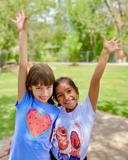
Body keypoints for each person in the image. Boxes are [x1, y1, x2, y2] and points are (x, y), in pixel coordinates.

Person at [51, 36, 120, 160]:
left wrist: (105, 52)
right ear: (57, 99)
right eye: (60, 95)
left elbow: (95, 80)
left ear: (76, 92)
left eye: (69, 91)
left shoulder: (87, 110)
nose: (66, 97)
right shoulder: (56, 112)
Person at [7, 11, 60, 160]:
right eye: (39, 88)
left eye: (48, 87)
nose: (44, 92)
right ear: (30, 87)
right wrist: (22, 32)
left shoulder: (56, 112)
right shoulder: (25, 101)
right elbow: (23, 65)